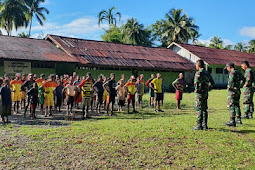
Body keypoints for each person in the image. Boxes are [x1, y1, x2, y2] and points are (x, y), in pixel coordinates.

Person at [193, 60, 214, 130]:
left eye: (196, 65)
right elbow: (212, 82)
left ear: (198, 65)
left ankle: (199, 125)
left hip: (199, 93)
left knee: (199, 108)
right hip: (205, 93)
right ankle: (204, 124)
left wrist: (196, 89)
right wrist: (208, 88)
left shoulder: (198, 73)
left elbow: (196, 83)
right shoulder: (207, 73)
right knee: (204, 108)